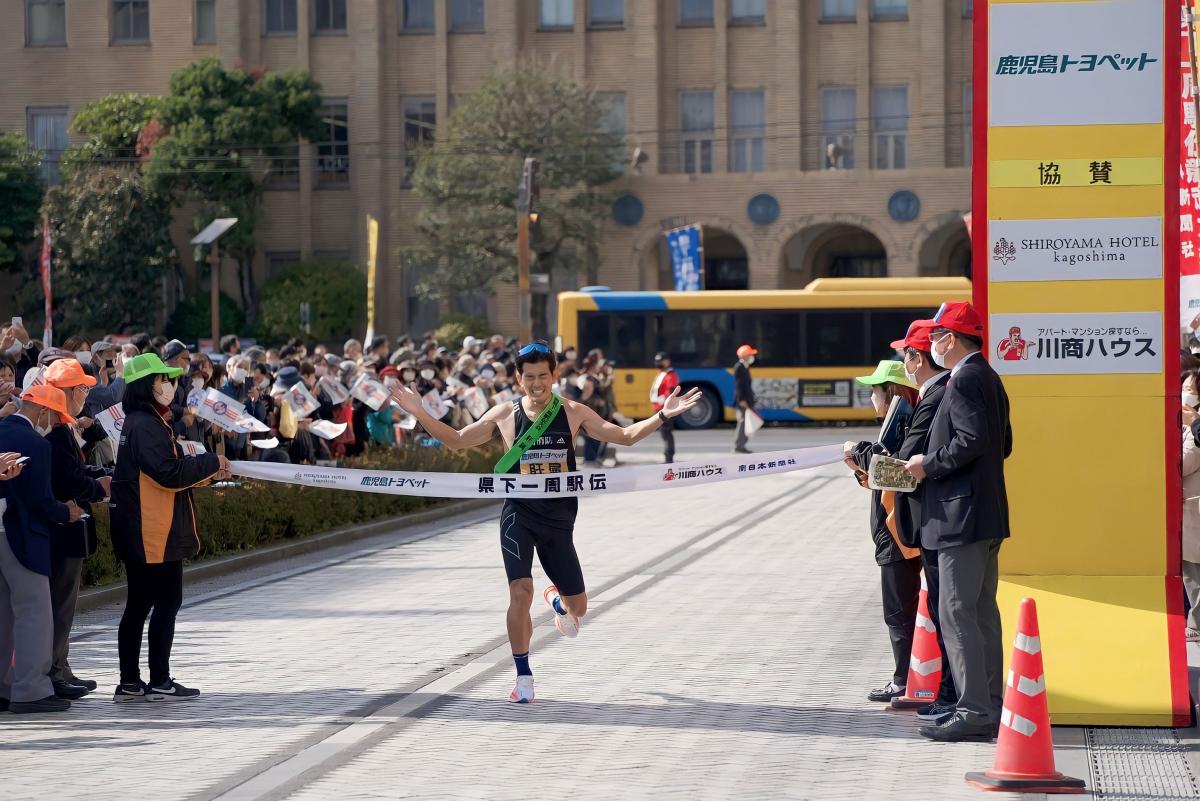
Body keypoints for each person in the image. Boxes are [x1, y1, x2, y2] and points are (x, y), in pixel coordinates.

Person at [389, 341, 702, 704]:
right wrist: (421, 412)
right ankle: (523, 675)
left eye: (543, 377)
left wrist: (662, 416)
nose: (537, 384)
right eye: (529, 378)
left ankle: (555, 598)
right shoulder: (504, 413)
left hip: (558, 522)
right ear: (518, 379)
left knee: (578, 609)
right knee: (519, 592)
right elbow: (458, 441)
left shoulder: (572, 411)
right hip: (518, 516)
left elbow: (624, 437)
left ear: (555, 376)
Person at [903, 302, 1012, 743]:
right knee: (981, 611)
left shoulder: (964, 379)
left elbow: (972, 440)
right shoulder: (988, 375)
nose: (931, 346)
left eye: (935, 338)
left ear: (951, 338)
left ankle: (973, 711)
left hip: (958, 517)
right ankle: (988, 704)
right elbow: (1002, 444)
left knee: (957, 611)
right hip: (984, 514)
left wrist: (928, 465)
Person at [110, 353, 227, 702]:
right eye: (163, 379)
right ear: (147, 385)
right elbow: (166, 473)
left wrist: (206, 470)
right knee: (159, 602)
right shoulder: (146, 425)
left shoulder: (146, 421)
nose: (170, 385)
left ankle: (134, 680)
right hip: (151, 531)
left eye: (172, 379)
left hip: (150, 527)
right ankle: (152, 678)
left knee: (143, 604)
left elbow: (169, 470)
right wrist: (209, 461)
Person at [0, 385, 84, 714]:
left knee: (4, 614)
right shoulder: (38, 444)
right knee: (34, 612)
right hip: (23, 537)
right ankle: (31, 688)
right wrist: (68, 512)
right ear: (45, 413)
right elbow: (41, 502)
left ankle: (4, 687)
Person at [890, 319, 957, 724]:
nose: (904, 363)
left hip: (940, 518)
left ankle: (953, 695)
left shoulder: (934, 397)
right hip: (938, 519)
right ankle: (952, 694)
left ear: (917, 358)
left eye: (906, 356)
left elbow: (905, 465)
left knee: (948, 611)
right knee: (948, 609)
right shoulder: (935, 393)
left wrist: (863, 457)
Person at [843, 360, 920, 704]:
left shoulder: (903, 431)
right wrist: (861, 466)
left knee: (898, 612)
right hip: (895, 534)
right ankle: (906, 677)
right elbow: (881, 479)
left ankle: (903, 680)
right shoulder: (895, 430)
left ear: (891, 394)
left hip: (899, 537)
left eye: (875, 390)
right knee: (901, 610)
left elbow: (900, 477)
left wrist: (865, 456)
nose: (872, 396)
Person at [43, 358, 112, 698]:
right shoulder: (56, 433)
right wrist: (101, 488)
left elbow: (78, 473)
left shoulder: (64, 429)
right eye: (82, 388)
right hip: (62, 530)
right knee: (60, 604)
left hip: (68, 530)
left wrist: (100, 478)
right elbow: (69, 480)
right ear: (65, 392)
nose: (86, 393)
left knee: (65, 604)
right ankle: (55, 672)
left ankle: (62, 666)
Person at [1182, 367, 1200, 640]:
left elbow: (1185, 464)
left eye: (1190, 388)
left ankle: (1195, 625)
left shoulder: (1195, 430)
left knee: (1193, 572)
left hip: (1194, 509)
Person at [650, 352, 680, 463]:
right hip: (659, 408)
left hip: (665, 409)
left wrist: (664, 403)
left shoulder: (670, 375)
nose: (658, 363)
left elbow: (671, 391)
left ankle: (669, 457)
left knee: (666, 432)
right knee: (664, 433)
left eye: (660, 361)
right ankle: (668, 456)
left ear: (667, 361)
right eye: (657, 361)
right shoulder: (662, 373)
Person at [733, 344, 757, 454]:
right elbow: (739, 386)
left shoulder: (745, 367)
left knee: (747, 422)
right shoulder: (739, 367)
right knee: (743, 423)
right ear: (745, 356)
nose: (752, 356)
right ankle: (739, 445)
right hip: (743, 401)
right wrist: (742, 400)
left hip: (747, 400)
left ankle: (742, 444)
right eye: (750, 354)